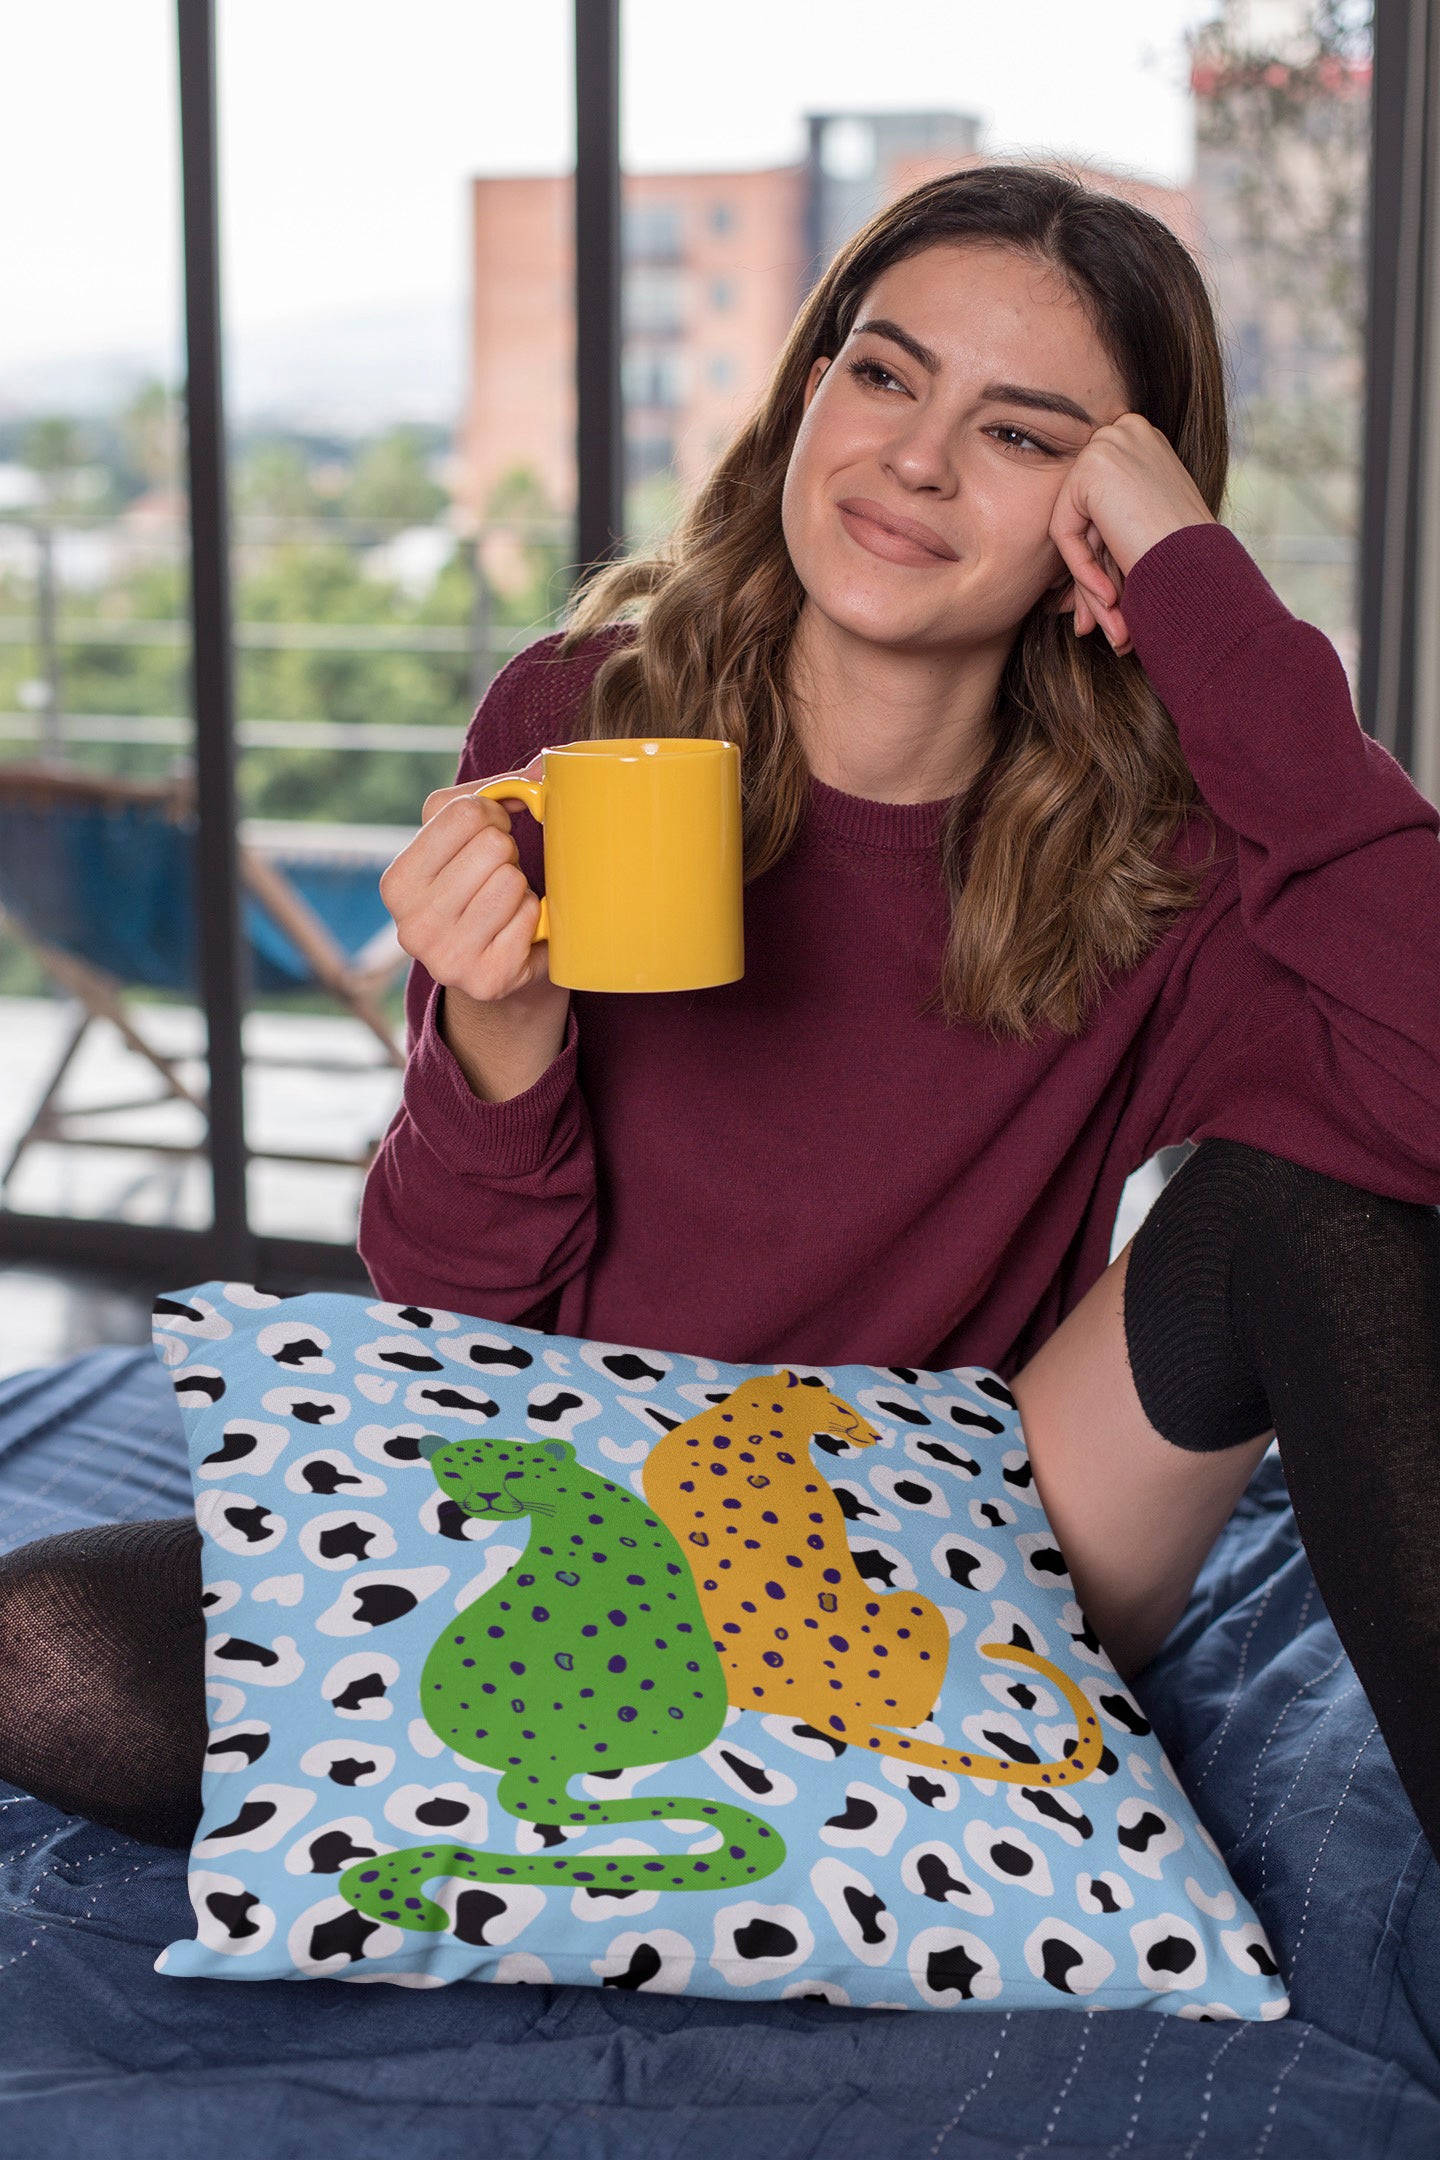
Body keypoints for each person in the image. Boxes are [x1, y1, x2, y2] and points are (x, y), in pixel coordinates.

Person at [2, 164, 1438, 1864]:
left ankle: (751, 1769)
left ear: (1101, 528)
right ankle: (802, 1783)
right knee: (43, 1644)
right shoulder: (576, 719)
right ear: (810, 389)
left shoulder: (1164, 858)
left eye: (1024, 433)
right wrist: (498, 1041)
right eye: (886, 373)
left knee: (1318, 1205)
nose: (913, 458)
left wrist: (1213, 619)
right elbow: (447, 1321)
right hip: (583, 1517)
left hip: (937, 1533)